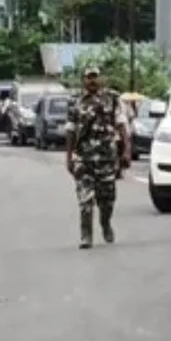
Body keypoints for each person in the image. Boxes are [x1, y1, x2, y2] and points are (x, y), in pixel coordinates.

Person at [64, 67, 130, 248]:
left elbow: (122, 125)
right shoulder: (75, 101)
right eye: (88, 77)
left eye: (95, 77)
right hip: (83, 158)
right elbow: (70, 130)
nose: (92, 80)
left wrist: (126, 151)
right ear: (83, 80)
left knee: (107, 200)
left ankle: (106, 223)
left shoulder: (112, 99)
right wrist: (69, 157)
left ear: (101, 79)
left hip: (107, 157)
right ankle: (86, 236)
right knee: (85, 200)